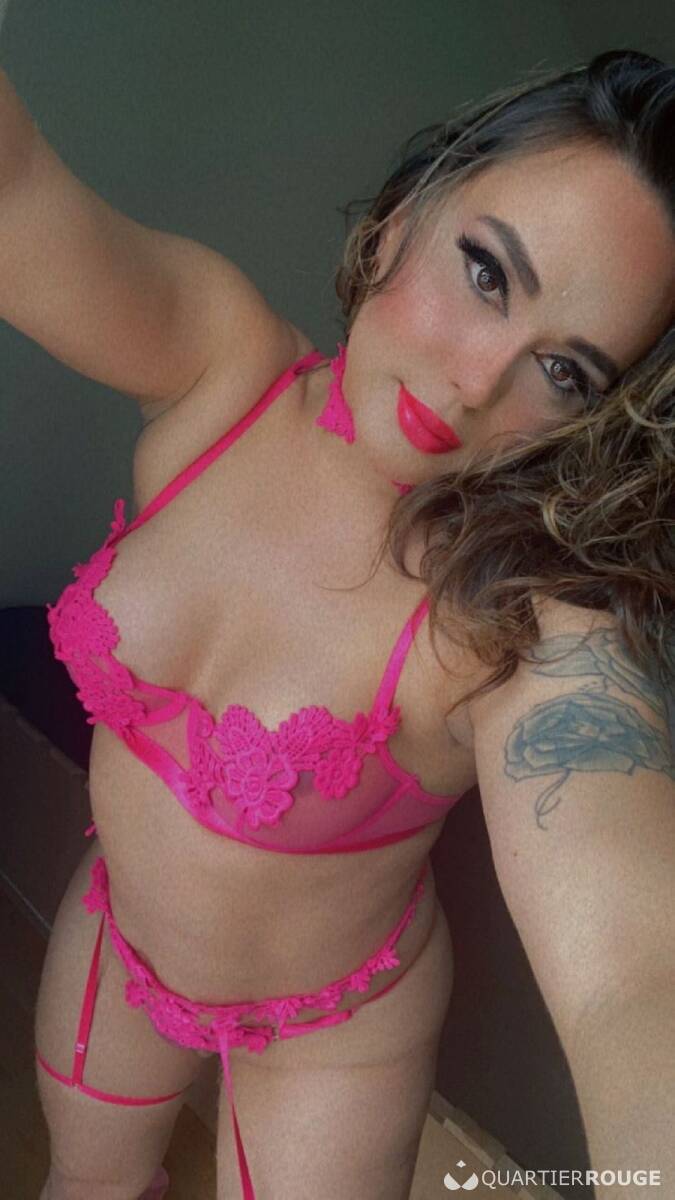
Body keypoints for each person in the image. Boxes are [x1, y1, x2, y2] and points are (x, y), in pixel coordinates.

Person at [0, 44, 671, 1200]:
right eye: (485, 272)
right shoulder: (218, 368)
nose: (475, 383)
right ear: (405, 215)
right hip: (122, 938)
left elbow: (633, 973)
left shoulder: (518, 615)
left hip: (335, 1036)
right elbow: (17, 199)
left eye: (564, 372)